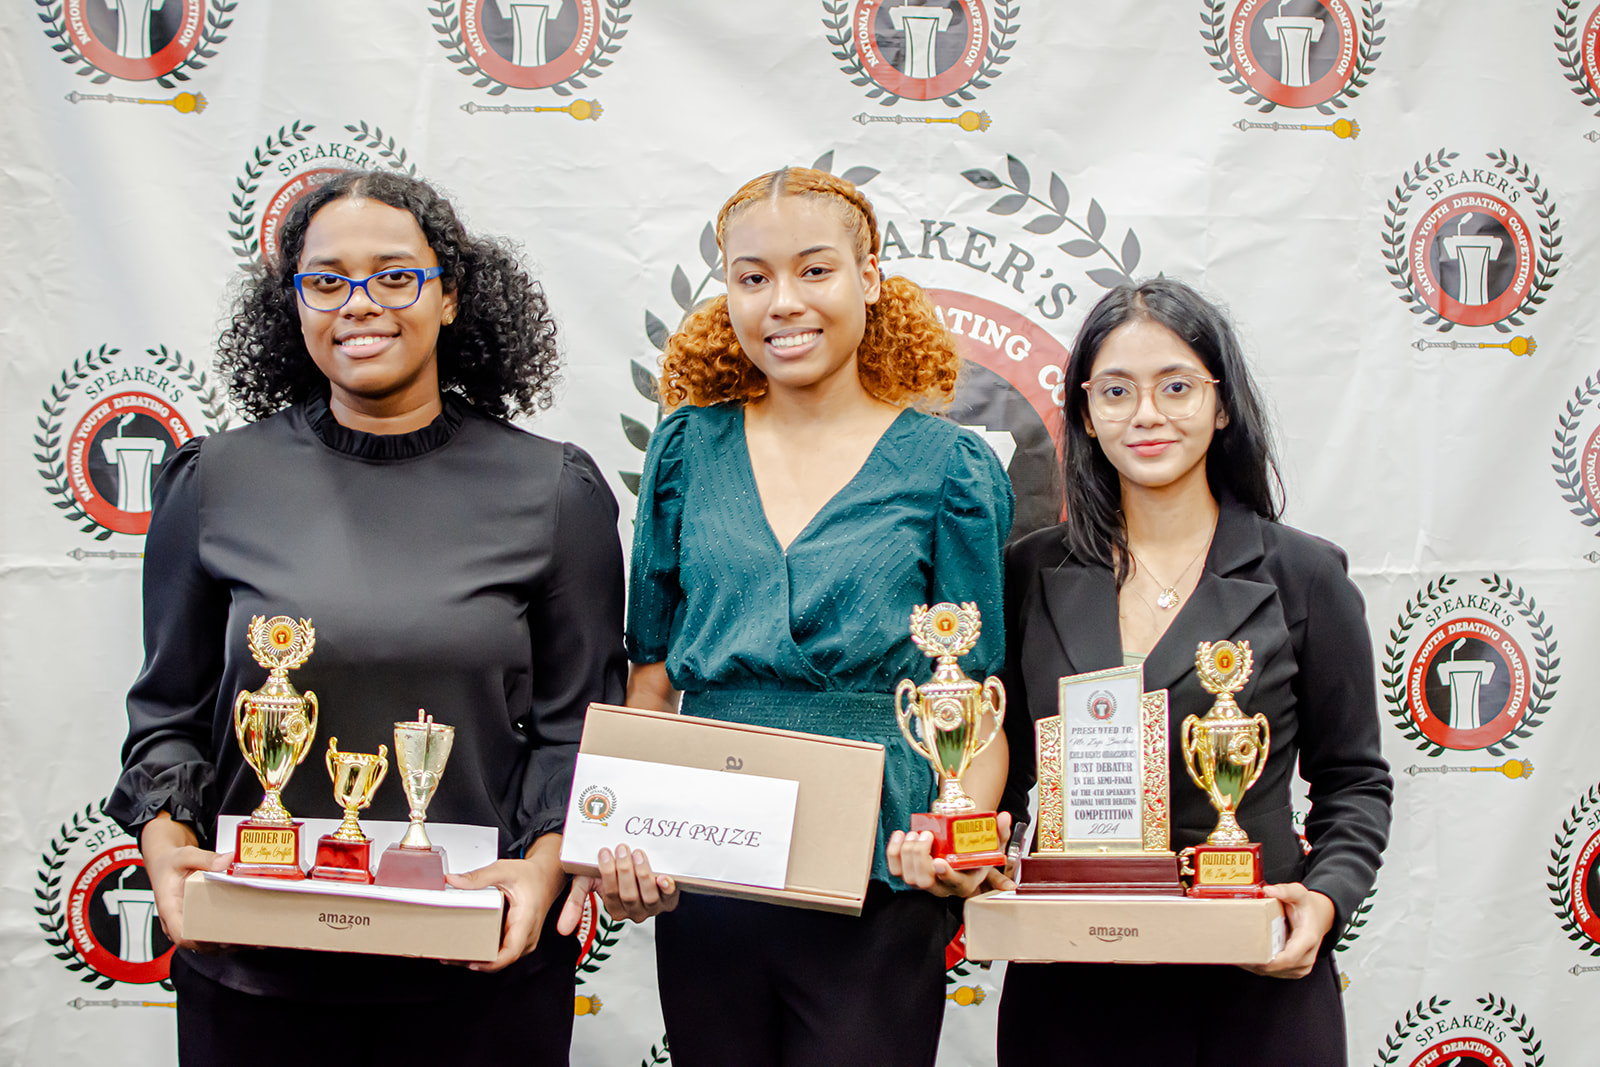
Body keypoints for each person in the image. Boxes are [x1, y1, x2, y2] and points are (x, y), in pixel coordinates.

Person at [107, 170, 626, 1067]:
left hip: (479, 972)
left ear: (450, 295)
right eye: (326, 280)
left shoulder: (553, 491)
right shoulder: (214, 482)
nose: (359, 303)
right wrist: (165, 843)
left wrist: (545, 865)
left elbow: (579, 728)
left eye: (394, 276)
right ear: (294, 302)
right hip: (256, 972)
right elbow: (166, 715)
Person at [555, 166, 1014, 1066]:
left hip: (881, 874)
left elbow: (973, 704)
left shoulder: (950, 469)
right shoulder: (686, 449)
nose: (782, 303)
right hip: (709, 874)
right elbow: (653, 681)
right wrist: (624, 839)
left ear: (869, 277)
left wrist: (957, 839)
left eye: (814, 270)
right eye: (752, 276)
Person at [995, 278, 1391, 1066]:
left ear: (1222, 404)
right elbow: (1002, 770)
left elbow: (1354, 780)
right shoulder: (1028, 572)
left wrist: (1323, 898)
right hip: (1073, 982)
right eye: (1116, 391)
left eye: (1176, 386)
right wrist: (983, 860)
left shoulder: (1303, 574)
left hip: (1253, 980)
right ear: (1084, 413)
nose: (1147, 414)